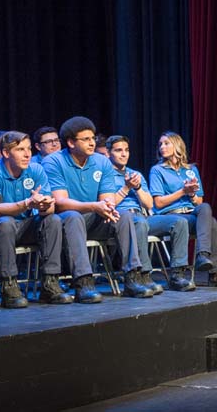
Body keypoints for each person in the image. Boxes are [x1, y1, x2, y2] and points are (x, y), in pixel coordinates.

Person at [43, 116, 152, 299]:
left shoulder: (102, 162)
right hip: (66, 221)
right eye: (85, 139)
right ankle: (84, 282)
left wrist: (106, 207)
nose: (92, 143)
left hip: (93, 219)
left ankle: (132, 277)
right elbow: (60, 202)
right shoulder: (54, 162)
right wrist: (94, 206)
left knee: (124, 216)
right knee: (73, 216)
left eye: (92, 138)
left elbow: (107, 200)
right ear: (70, 142)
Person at [0, 131, 73, 307]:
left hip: (25, 226)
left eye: (28, 149)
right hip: (0, 229)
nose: (27, 154)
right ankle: (9, 287)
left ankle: (50, 283)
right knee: (5, 222)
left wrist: (44, 205)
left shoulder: (35, 169)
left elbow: (50, 206)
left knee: (53, 220)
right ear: (6, 153)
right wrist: (27, 203)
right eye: (20, 149)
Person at [105, 135, 195, 292]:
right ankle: (144, 275)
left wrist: (138, 187)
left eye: (126, 150)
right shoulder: (105, 174)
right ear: (108, 153)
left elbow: (149, 204)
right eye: (119, 150)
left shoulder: (135, 174)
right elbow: (109, 203)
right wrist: (126, 188)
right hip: (120, 218)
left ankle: (177, 274)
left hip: (142, 216)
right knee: (139, 223)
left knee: (179, 222)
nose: (124, 154)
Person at [149, 131, 217, 287]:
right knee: (212, 223)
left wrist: (191, 194)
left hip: (189, 213)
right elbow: (159, 203)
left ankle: (203, 255)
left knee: (205, 207)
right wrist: (182, 191)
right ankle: (191, 273)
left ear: (177, 145)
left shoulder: (190, 170)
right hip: (168, 215)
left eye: (166, 143)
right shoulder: (157, 170)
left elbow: (198, 201)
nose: (162, 147)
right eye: (160, 144)